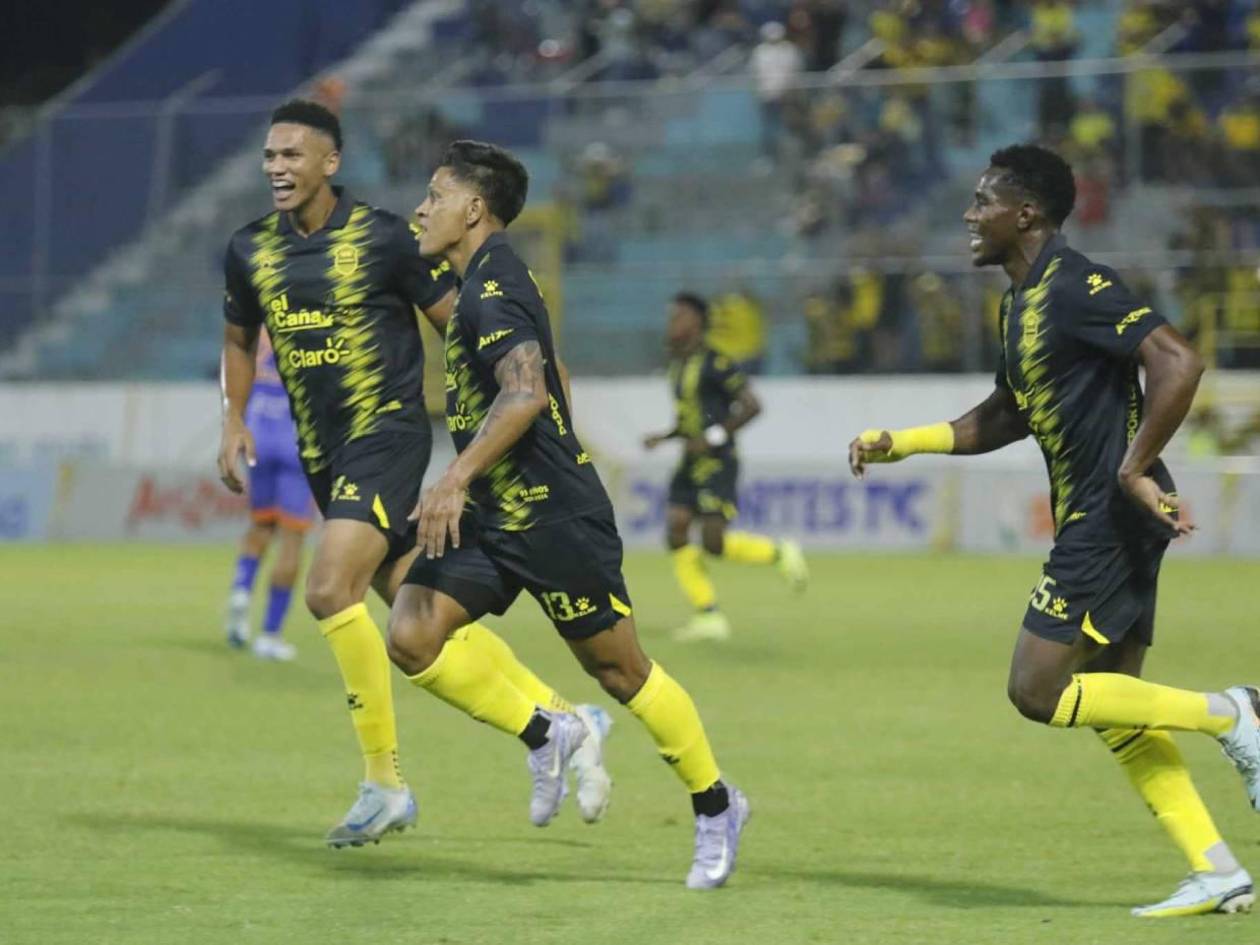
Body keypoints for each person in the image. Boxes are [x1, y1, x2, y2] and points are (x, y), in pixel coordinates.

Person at [848, 144, 1260, 919]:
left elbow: (1178, 360)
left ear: (1026, 213)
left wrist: (1134, 465)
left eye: (983, 202)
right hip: (1105, 514)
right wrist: (905, 441)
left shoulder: (1076, 285)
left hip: (1108, 516)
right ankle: (1217, 868)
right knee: (1120, 707)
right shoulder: (1019, 305)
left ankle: (1233, 712)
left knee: (1036, 689)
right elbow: (1007, 414)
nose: (969, 215)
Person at [217, 100, 611, 850]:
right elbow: (239, 338)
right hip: (324, 453)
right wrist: (233, 417)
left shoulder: (385, 239)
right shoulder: (250, 250)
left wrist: (520, 406)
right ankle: (560, 720)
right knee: (414, 613)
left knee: (328, 589)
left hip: (387, 438)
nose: (277, 167)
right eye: (270, 155)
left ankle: (384, 785)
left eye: (292, 155)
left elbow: (468, 325)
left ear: (330, 163)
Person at [390, 140, 750, 889]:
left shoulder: (493, 288)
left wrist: (454, 476)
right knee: (413, 631)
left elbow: (526, 392)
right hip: (496, 514)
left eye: (435, 195)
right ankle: (548, 729)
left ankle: (717, 804)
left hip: (555, 518)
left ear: (473, 209)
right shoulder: (483, 280)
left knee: (621, 671)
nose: (421, 209)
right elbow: (551, 376)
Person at [642, 292, 807, 642]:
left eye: (679, 317)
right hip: (690, 460)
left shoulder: (716, 363)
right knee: (676, 528)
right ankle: (708, 615)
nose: (672, 323)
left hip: (717, 461)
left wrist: (714, 437)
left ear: (697, 322)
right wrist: (666, 436)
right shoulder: (678, 366)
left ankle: (780, 552)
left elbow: (752, 405)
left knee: (713, 542)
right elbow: (691, 417)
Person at [225, 330, 313, 660]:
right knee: (292, 539)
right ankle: (270, 634)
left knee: (261, 524)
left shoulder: (259, 326)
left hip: (258, 431)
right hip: (294, 438)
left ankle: (241, 589)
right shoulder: (312, 322)